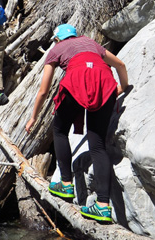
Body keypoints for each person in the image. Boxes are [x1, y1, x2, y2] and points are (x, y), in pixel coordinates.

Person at [24, 24, 129, 223]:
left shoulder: (55, 50)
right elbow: (120, 65)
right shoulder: (90, 43)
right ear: (75, 35)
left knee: (60, 130)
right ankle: (103, 206)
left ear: (57, 39)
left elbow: (44, 91)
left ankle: (66, 184)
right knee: (97, 146)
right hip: (104, 82)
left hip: (75, 81)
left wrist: (33, 117)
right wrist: (121, 88)